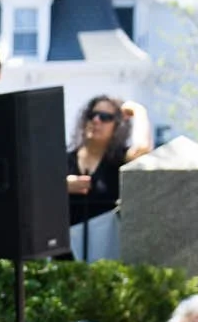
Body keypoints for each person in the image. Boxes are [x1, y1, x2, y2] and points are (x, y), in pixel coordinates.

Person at [65, 93, 153, 228]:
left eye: (105, 117)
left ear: (117, 126)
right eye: (91, 115)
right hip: (69, 245)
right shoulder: (64, 160)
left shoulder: (119, 160)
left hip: (107, 244)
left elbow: (142, 148)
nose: (96, 120)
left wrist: (139, 111)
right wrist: (60, 187)